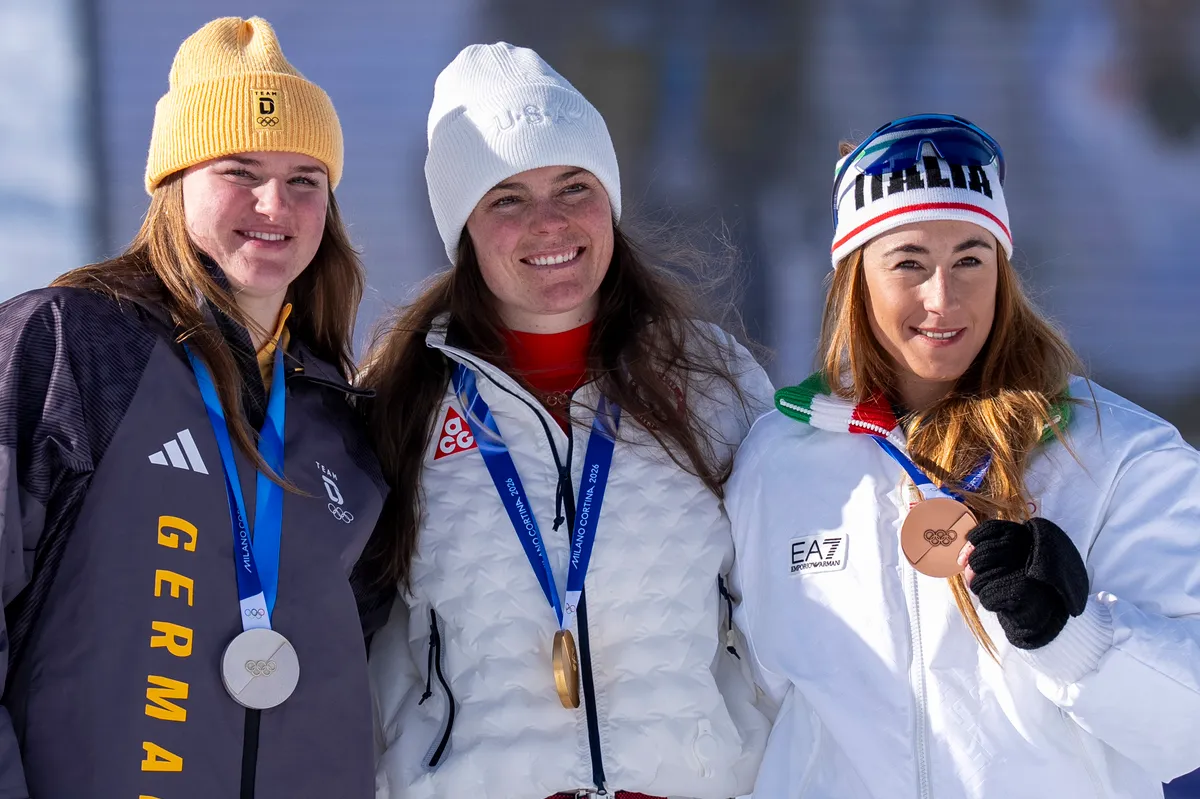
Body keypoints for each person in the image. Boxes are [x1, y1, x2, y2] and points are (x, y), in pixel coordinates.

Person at [725, 113, 1200, 797]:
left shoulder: (1120, 456)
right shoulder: (779, 460)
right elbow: (757, 707)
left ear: (1003, 271)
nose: (942, 298)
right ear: (856, 277)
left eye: (970, 260)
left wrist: (1075, 637)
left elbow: (1184, 729)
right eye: (909, 262)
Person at [361, 43, 773, 799]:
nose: (548, 224)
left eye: (573, 186)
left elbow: (778, 623)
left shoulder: (715, 383)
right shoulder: (400, 399)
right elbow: (372, 659)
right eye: (506, 198)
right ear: (464, 230)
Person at [0, 17, 387, 798]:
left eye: (305, 179)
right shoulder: (71, 347)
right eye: (239, 170)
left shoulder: (342, 423)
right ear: (174, 183)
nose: (275, 202)